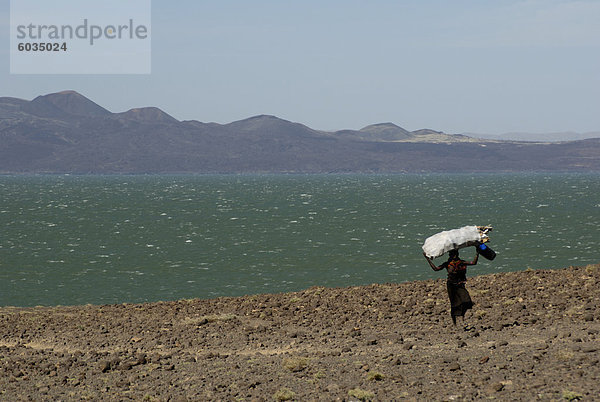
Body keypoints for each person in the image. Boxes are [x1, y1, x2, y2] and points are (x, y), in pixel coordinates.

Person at [423, 248, 479, 329]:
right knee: (455, 303)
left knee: (467, 301)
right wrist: (427, 259)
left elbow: (474, 263)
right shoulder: (448, 264)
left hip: (460, 285)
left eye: (455, 254)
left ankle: (462, 316)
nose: (454, 256)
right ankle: (456, 322)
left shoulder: (461, 263)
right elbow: (436, 269)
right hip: (451, 285)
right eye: (452, 255)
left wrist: (477, 253)